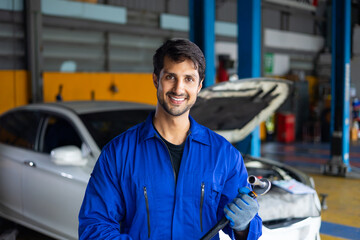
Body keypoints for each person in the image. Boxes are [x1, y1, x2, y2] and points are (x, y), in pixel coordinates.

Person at [78, 39, 262, 240]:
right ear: (156, 79)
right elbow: (94, 227)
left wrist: (244, 226)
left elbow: (248, 231)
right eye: (170, 77)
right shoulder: (118, 154)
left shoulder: (224, 155)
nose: (178, 88)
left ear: (199, 85)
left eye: (189, 79)